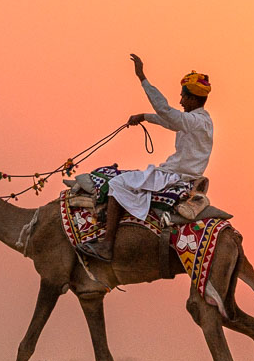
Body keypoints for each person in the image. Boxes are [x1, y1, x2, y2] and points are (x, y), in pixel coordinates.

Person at [78, 53, 213, 262]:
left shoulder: (194, 121)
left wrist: (142, 77)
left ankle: (107, 245)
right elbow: (170, 121)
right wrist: (144, 117)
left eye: (183, 97)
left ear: (193, 99)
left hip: (175, 176)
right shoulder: (201, 121)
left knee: (116, 183)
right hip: (179, 174)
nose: (180, 101)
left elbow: (166, 111)